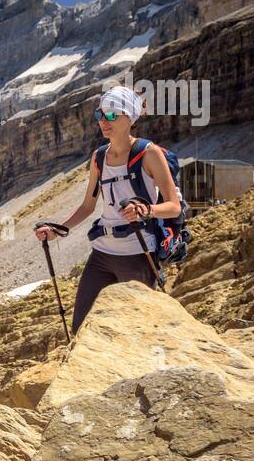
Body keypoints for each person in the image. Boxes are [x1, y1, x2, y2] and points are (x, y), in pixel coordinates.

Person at [35, 86, 183, 333]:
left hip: (139, 253)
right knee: (81, 328)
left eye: (112, 115)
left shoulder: (149, 154)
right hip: (102, 254)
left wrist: (145, 211)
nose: (104, 121)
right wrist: (57, 230)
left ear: (130, 118)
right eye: (100, 115)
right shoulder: (99, 157)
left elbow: (173, 206)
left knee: (139, 330)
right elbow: (87, 207)